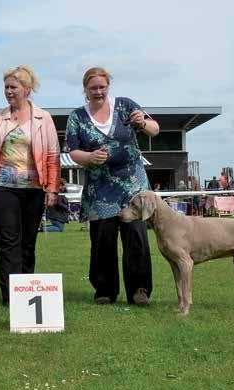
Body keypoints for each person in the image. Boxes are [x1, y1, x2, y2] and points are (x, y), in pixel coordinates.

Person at [66, 67, 160, 306]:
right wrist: (88, 158)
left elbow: (155, 128)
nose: (98, 92)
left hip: (132, 185)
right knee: (102, 240)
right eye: (93, 88)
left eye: (102, 87)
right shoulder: (77, 116)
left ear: (108, 86)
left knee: (136, 237)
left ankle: (140, 290)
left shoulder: (125, 105)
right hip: (100, 188)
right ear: (85, 89)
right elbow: (73, 151)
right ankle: (104, 290)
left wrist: (142, 123)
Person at [0, 65, 60, 305]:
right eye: (6, 87)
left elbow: (53, 156)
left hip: (34, 189)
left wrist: (52, 188)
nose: (8, 92)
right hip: (2, 188)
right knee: (8, 241)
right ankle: (10, 296)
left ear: (27, 89)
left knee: (28, 241)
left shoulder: (44, 118)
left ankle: (27, 291)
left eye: (13, 87)